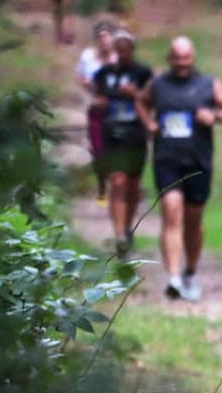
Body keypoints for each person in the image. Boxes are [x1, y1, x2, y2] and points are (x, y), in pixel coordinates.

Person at [136, 36, 222, 301]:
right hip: (166, 159)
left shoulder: (208, 84)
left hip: (198, 161)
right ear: (170, 58)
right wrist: (149, 124)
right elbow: (140, 102)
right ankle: (173, 277)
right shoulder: (158, 84)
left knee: (193, 222)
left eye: (186, 57)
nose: (181, 63)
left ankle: (190, 271)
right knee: (171, 212)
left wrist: (214, 116)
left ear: (193, 58)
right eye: (177, 57)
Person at [93, 29, 152, 257]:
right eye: (121, 48)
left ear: (133, 50)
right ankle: (119, 236)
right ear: (116, 50)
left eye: (128, 48)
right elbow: (97, 98)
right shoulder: (103, 74)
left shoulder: (143, 73)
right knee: (117, 182)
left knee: (133, 187)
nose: (124, 52)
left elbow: (150, 102)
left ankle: (127, 228)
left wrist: (134, 95)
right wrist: (100, 104)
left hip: (135, 135)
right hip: (112, 135)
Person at [75, 21, 115, 203]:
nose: (104, 40)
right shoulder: (88, 58)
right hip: (95, 110)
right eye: (100, 37)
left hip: (116, 112)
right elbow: (81, 78)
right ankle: (102, 186)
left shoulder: (119, 58)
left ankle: (117, 185)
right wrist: (90, 89)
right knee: (98, 150)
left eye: (107, 36)